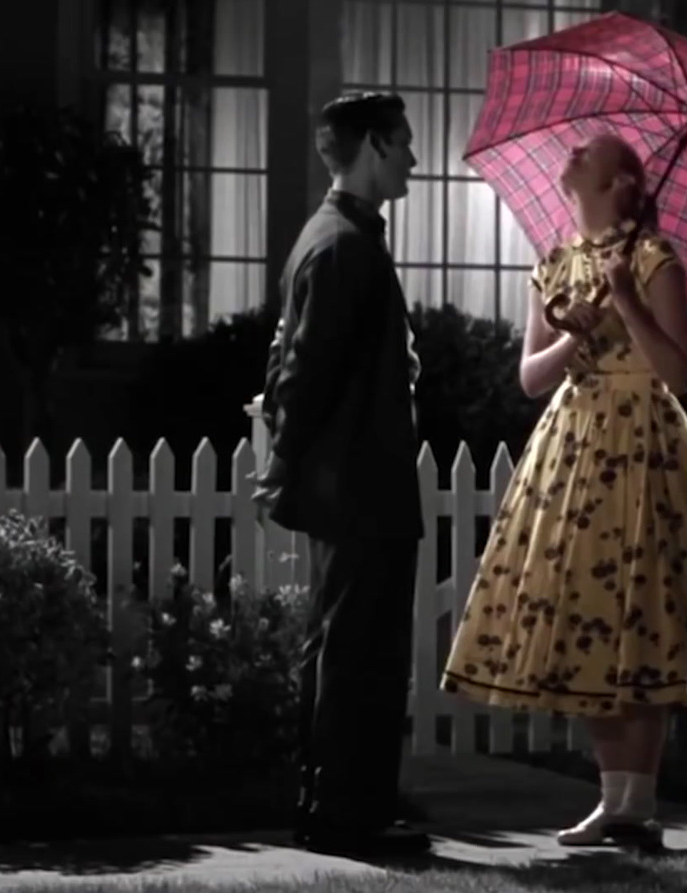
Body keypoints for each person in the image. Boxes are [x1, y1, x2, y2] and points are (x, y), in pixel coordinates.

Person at [440, 132, 687, 850]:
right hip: (576, 444)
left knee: (637, 612)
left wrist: (625, 296)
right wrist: (575, 336)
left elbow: (677, 373)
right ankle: (610, 798)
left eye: (591, 150)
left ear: (621, 180)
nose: (574, 153)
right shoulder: (555, 265)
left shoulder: (655, 260)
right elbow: (529, 377)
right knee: (586, 608)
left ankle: (637, 805)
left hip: (642, 443)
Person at [253, 91, 428, 857]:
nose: (416, 157)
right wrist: (283, 459)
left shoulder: (333, 239)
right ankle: (348, 811)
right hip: (360, 480)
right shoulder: (343, 247)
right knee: (362, 648)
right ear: (372, 147)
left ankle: (339, 802)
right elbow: (305, 367)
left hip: (352, 477)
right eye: (405, 142)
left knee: (345, 643)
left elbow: (301, 357)